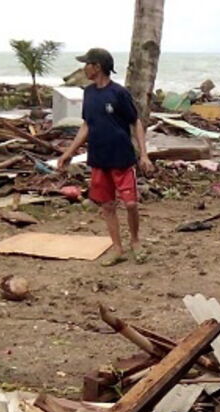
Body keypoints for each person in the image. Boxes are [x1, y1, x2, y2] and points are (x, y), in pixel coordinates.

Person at [57, 48, 154, 266]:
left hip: (122, 157)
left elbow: (135, 122)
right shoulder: (89, 93)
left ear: (97, 67)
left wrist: (144, 155)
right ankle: (117, 248)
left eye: (87, 64)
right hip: (99, 158)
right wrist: (68, 153)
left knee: (130, 204)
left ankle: (136, 242)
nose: (84, 68)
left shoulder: (119, 93)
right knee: (107, 205)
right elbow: (86, 125)